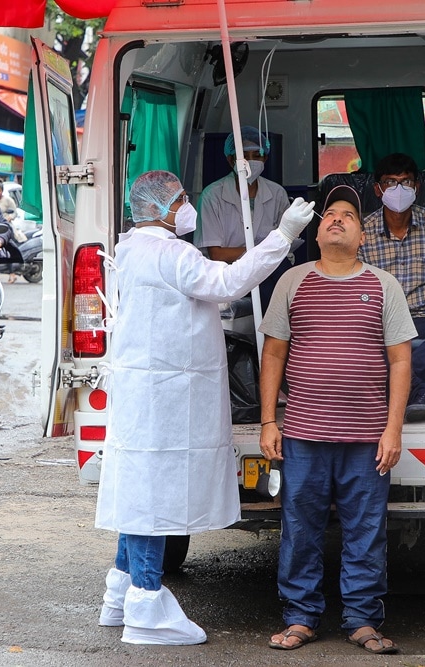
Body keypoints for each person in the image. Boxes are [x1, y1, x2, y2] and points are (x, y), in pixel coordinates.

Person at [95, 170, 314, 645]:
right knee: (153, 499)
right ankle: (147, 607)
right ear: (163, 207)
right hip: (166, 396)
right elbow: (228, 281)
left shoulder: (131, 246)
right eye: (181, 200)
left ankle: (121, 590)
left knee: (138, 491)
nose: (188, 205)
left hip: (145, 392)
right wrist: (284, 234)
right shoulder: (170, 252)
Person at [259, 184, 414, 655]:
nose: (336, 219)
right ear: (316, 230)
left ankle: (363, 621)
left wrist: (393, 429)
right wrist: (269, 421)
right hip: (304, 434)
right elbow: (274, 353)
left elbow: (401, 362)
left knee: (366, 532)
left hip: (367, 438)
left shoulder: (383, 285)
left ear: (363, 236)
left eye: (348, 215)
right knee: (299, 529)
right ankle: (300, 617)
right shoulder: (293, 280)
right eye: (329, 214)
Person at [357, 152, 425, 421]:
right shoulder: (363, 230)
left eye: (405, 182)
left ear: (417, 187)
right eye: (390, 182)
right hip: (381, 325)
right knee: (360, 344)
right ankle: (420, 391)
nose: (398, 189)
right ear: (377, 189)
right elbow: (355, 278)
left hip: (423, 319)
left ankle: (395, 384)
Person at [196, 125, 292, 310]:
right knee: (265, 283)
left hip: (268, 268)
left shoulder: (276, 193)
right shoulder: (213, 196)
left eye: (257, 155)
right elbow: (217, 254)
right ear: (231, 159)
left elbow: (286, 241)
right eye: (244, 157)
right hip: (229, 271)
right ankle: (269, 335)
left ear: (265, 157)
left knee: (285, 277)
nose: (251, 161)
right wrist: (262, 251)